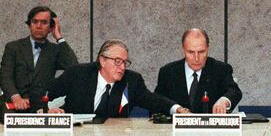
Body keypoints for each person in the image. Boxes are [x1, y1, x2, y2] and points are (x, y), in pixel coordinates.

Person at [47, 39, 186, 119]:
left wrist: (177, 109)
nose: (122, 67)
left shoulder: (132, 80)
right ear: (102, 60)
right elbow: (45, 91)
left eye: (125, 62)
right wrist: (45, 110)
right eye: (117, 61)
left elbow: (153, 100)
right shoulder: (78, 73)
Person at [0, 6, 78, 113]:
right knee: (10, 120)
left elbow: (73, 67)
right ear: (29, 25)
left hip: (41, 105)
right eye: (35, 22)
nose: (39, 26)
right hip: (13, 102)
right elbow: (5, 76)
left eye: (44, 22)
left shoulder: (55, 50)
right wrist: (16, 97)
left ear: (51, 27)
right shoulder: (13, 47)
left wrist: (58, 36)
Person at [154, 28, 242, 114]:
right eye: (191, 52)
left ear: (207, 48)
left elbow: (234, 91)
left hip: (210, 128)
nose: (196, 58)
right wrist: (175, 110)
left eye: (201, 52)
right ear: (183, 49)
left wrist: (224, 100)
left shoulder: (221, 69)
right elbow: (156, 103)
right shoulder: (168, 72)